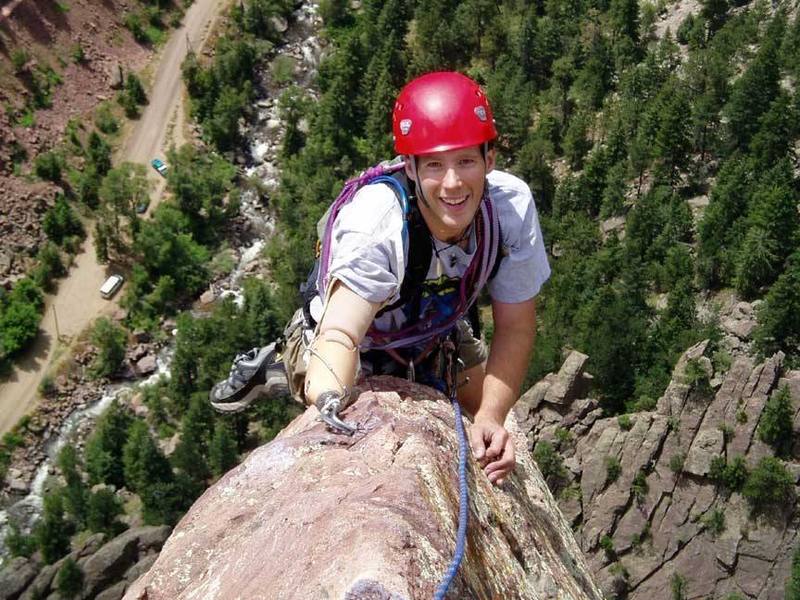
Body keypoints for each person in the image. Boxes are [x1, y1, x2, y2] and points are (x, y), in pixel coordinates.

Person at [210, 71, 550, 486]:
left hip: (433, 328)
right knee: (348, 409)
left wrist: (492, 417)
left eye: (466, 160)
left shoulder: (509, 209)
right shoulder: (378, 225)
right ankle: (282, 366)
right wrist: (330, 394)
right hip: (361, 336)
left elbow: (516, 327)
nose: (453, 183)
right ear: (409, 166)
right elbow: (341, 334)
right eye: (435, 165)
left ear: (489, 160)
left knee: (491, 425)